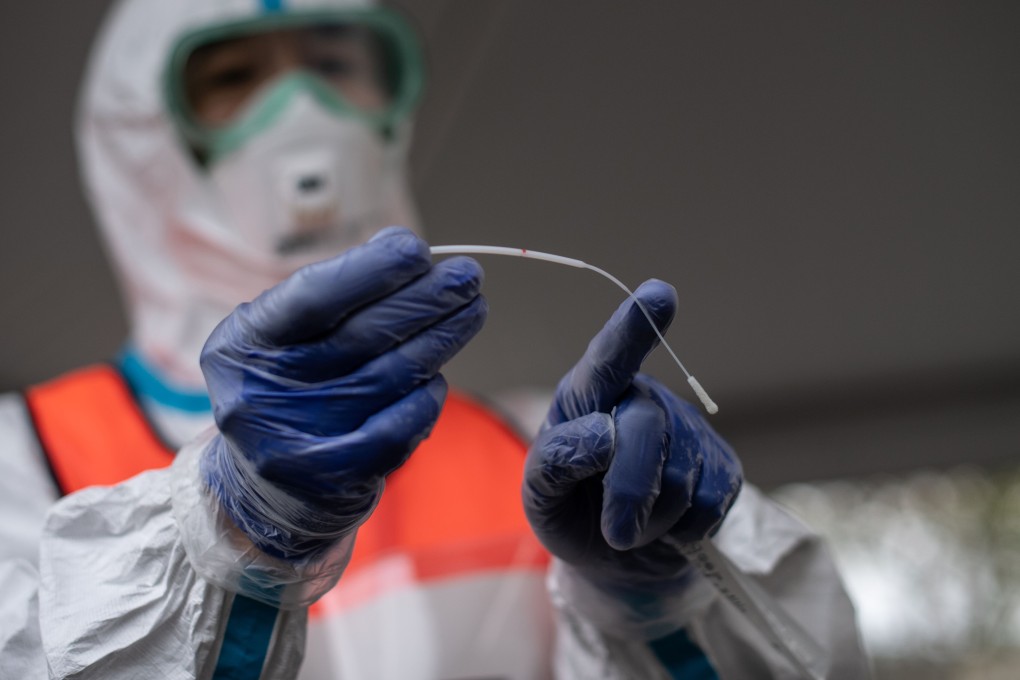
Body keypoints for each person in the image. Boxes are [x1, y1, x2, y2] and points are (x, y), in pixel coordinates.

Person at [0, 0, 870, 678]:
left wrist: (658, 607)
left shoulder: (552, 456)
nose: (302, 115)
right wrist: (233, 528)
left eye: (338, 65)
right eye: (233, 77)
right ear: (143, 137)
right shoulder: (21, 458)